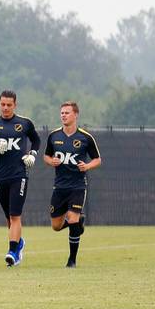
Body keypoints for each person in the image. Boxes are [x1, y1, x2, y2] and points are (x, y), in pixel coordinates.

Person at [0, 90, 41, 266]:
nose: (5, 108)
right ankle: (19, 243)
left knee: (15, 215)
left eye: (9, 105)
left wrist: (33, 154)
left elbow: (36, 141)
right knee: (9, 218)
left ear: (15, 105)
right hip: (1, 176)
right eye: (3, 104)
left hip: (19, 175)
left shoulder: (24, 123)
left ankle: (12, 252)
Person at [44, 101, 102, 268]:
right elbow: (46, 156)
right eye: (62, 112)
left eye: (67, 113)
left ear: (75, 115)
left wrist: (87, 166)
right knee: (56, 226)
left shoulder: (85, 137)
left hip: (77, 186)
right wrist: (51, 161)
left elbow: (97, 159)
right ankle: (77, 225)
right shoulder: (54, 136)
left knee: (72, 217)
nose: (63, 115)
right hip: (60, 187)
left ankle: (72, 260)